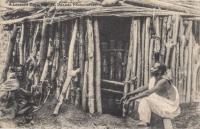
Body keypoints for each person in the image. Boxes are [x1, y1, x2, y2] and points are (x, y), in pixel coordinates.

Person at [121, 61, 181, 127]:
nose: (151, 69)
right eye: (152, 67)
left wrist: (130, 99)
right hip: (163, 101)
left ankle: (144, 122)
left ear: (160, 71)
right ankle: (148, 121)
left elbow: (148, 92)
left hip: (170, 106)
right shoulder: (154, 79)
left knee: (145, 100)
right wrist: (128, 94)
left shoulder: (163, 81)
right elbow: (143, 88)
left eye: (154, 68)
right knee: (143, 100)